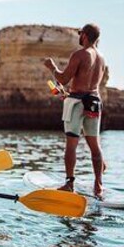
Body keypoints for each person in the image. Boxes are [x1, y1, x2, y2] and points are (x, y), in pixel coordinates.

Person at [42, 23, 107, 199]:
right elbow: (90, 85)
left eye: (80, 33)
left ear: (85, 35)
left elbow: (63, 78)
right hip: (94, 103)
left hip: (77, 104)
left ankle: (70, 183)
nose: (79, 36)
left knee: (71, 145)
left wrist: (52, 67)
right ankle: (99, 186)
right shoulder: (101, 58)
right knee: (95, 146)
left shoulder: (80, 55)